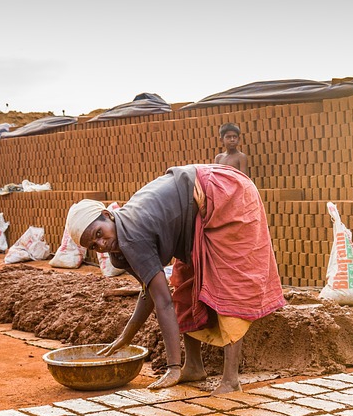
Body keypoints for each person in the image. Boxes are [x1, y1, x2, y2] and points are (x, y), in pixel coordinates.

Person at [65, 164, 284, 394]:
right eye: (94, 246)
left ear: (107, 215)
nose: (101, 244)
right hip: (196, 211)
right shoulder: (120, 248)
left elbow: (163, 302)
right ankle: (193, 366)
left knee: (228, 284)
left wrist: (172, 367)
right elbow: (149, 292)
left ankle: (230, 380)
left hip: (225, 194)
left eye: (99, 233)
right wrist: (125, 337)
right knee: (186, 283)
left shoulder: (132, 235)